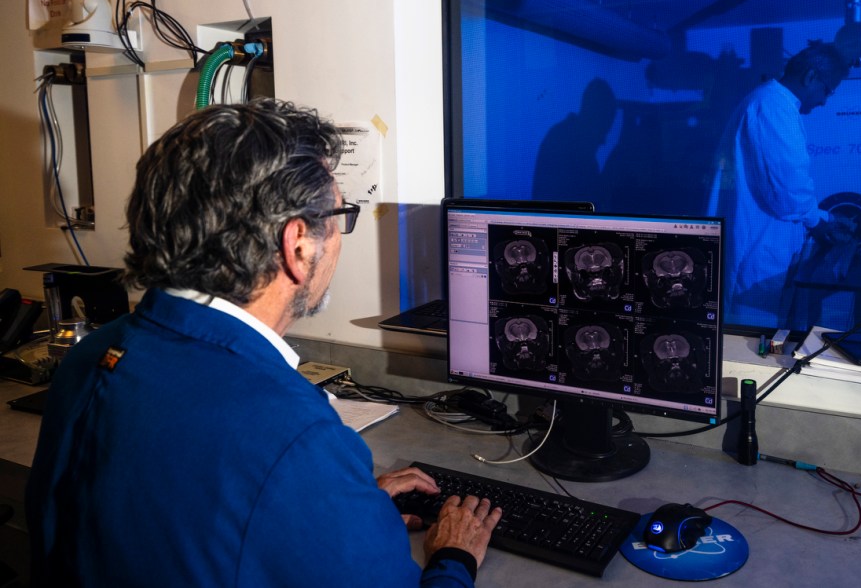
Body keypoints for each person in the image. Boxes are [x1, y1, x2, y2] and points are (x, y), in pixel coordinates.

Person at [25, 99, 501, 587]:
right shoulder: (294, 435)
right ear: (298, 245)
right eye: (339, 215)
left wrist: (330, 509)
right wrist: (453, 559)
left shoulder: (91, 354)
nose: (339, 236)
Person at [709, 43, 855, 328]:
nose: (825, 101)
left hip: (765, 239)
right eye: (827, 90)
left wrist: (826, 217)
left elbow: (784, 184)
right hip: (756, 246)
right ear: (811, 76)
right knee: (752, 334)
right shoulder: (772, 107)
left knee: (763, 329)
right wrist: (819, 222)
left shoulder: (775, 104)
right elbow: (787, 190)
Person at [531, 78, 618, 203]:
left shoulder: (560, 136)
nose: (603, 141)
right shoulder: (575, 151)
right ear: (596, 118)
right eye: (603, 130)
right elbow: (592, 199)